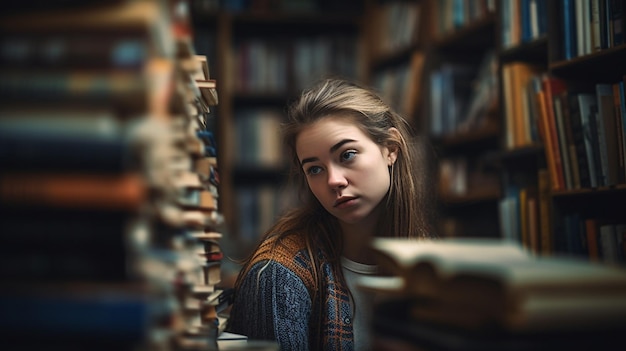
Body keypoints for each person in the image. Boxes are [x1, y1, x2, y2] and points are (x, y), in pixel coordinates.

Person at [226, 78, 437, 350]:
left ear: (391, 149)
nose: (334, 180)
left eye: (347, 155)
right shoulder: (277, 276)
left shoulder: (427, 264)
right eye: (315, 169)